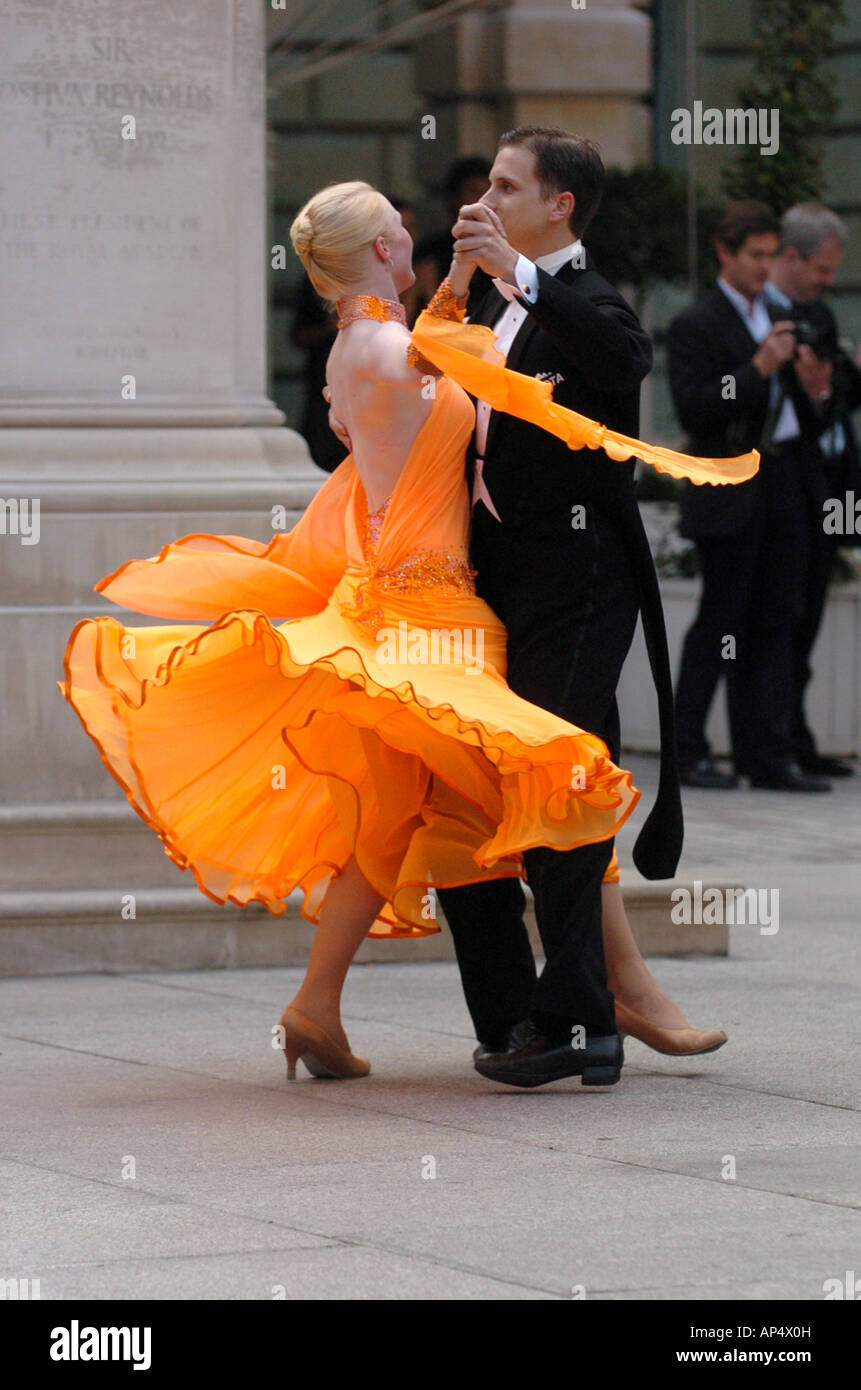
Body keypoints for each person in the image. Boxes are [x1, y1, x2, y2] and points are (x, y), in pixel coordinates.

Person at [59, 181, 748, 1088]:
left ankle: (321, 1007)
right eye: (398, 227)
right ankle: (623, 992)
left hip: (399, 603)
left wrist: (461, 281)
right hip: (435, 616)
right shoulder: (393, 347)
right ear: (379, 250)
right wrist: (648, 452)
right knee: (549, 778)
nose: (411, 232)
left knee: (405, 818)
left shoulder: (361, 346)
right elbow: (475, 377)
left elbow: (423, 367)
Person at [414, 126, 750, 1085]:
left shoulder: (583, 298)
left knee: (552, 783)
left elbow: (621, 359)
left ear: (557, 206)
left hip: (580, 575)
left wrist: (517, 274)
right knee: (534, 789)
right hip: (505, 577)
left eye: (508, 186)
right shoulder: (488, 294)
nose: (487, 197)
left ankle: (577, 1023)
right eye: (488, 181)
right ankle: (565, 1018)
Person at [669, 201, 832, 793]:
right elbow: (696, 407)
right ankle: (686, 750)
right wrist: (757, 367)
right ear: (725, 254)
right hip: (729, 487)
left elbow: (802, 408)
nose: (766, 266)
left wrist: (817, 389)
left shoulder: (779, 315)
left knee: (777, 619)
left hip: (783, 484)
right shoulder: (700, 322)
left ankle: (765, 753)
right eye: (755, 255)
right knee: (721, 619)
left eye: (771, 254)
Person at [765, 203, 861, 778]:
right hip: (783, 491)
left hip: (827, 491)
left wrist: (831, 387)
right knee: (779, 620)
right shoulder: (764, 320)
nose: (828, 281)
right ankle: (773, 742)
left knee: (805, 621)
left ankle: (795, 737)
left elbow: (837, 396)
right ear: (790, 256)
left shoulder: (819, 316)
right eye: (822, 269)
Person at [412, 156, 494, 320]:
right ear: (454, 198)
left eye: (487, 192)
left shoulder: (511, 250)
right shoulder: (430, 252)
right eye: (473, 191)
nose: (482, 201)